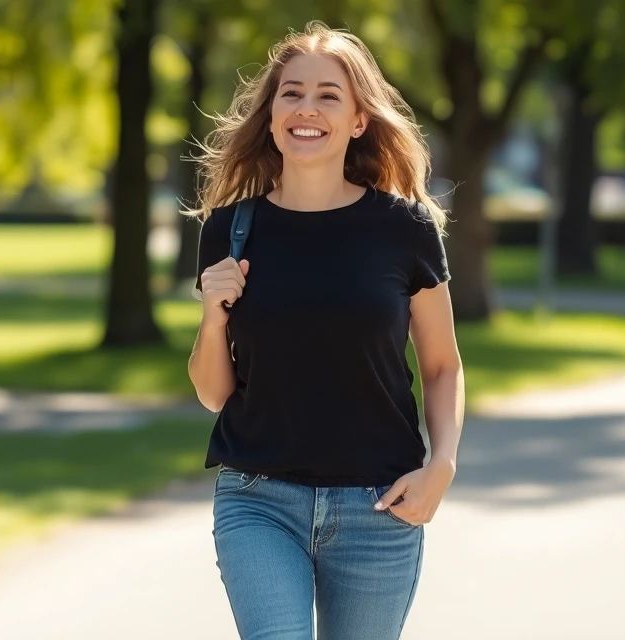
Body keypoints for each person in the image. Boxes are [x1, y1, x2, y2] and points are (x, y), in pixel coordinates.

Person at [185, 21, 465, 640]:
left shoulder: (405, 229)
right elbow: (214, 394)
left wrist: (440, 465)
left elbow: (443, 364)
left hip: (378, 506)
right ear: (272, 112)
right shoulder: (230, 230)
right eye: (291, 93)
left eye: (328, 95)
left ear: (359, 120)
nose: (306, 109)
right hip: (258, 499)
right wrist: (213, 314)